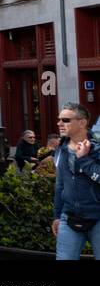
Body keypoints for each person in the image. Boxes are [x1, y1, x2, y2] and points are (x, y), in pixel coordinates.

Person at [53, 103, 100, 260]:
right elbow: (60, 185)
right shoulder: (61, 148)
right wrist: (57, 216)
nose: (59, 123)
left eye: (65, 120)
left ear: (82, 122)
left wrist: (85, 160)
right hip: (70, 216)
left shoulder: (97, 147)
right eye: (59, 119)